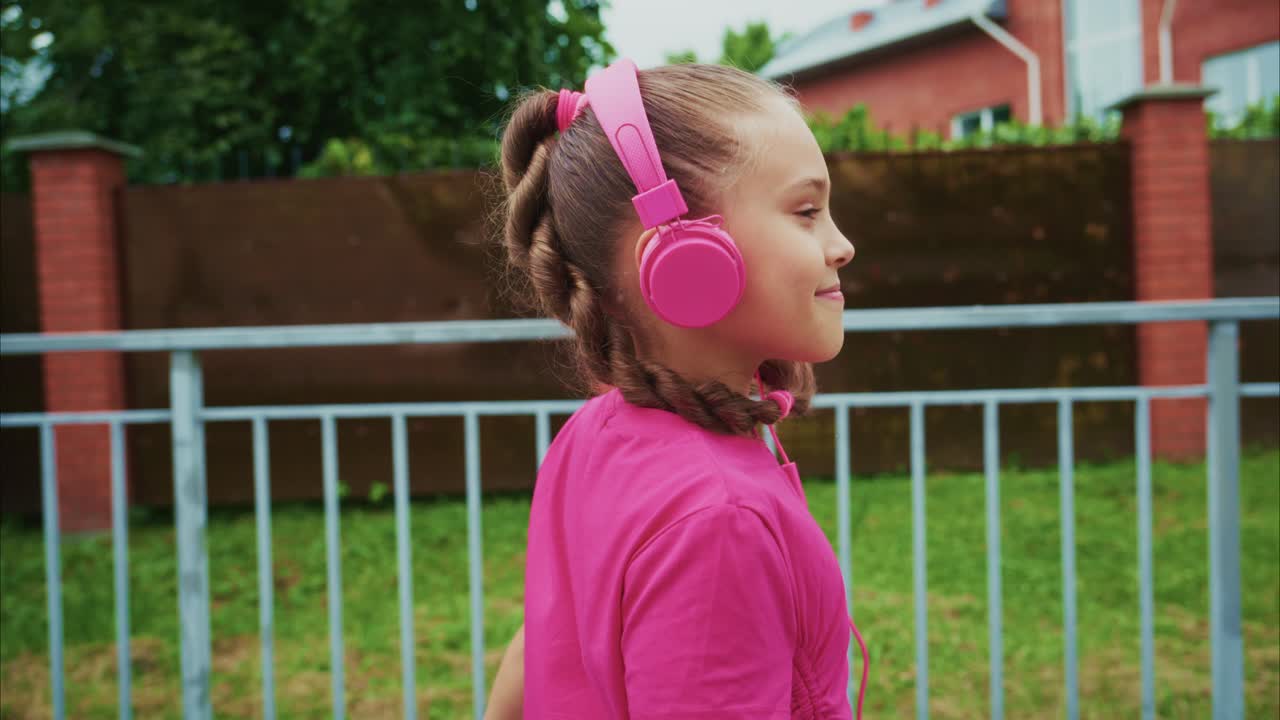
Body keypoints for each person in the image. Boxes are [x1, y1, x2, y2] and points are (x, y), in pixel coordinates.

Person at [489, 58, 863, 719]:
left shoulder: (596, 433)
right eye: (806, 211)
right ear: (683, 255)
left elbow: (541, 648)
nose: (842, 246)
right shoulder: (718, 521)